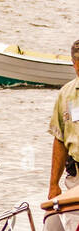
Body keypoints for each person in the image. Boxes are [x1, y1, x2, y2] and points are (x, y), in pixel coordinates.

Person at [46, 40, 79, 199]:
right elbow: (59, 139)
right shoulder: (66, 94)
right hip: (76, 178)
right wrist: (53, 185)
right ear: (73, 64)